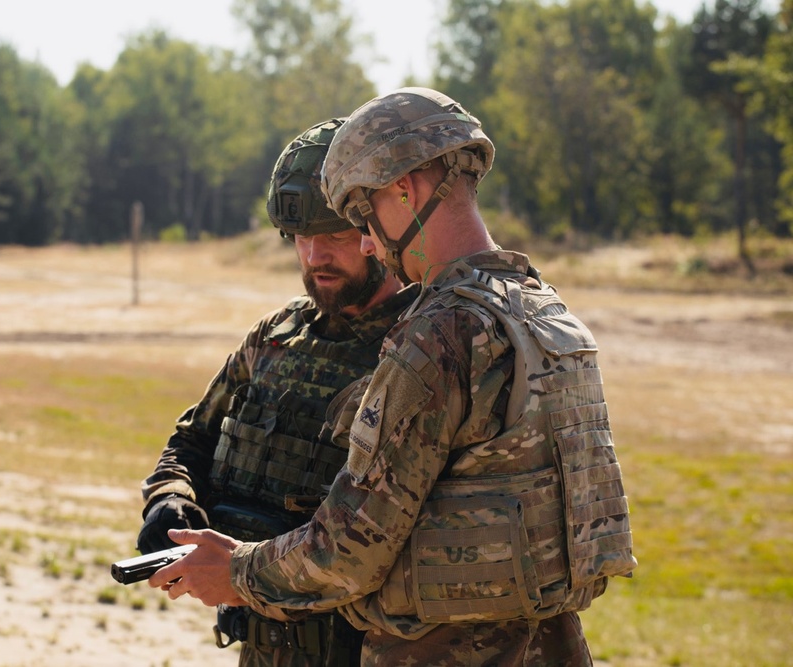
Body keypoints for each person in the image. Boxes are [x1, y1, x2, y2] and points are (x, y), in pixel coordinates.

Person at [149, 88, 637, 666]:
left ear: (403, 189)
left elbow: (347, 552)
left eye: (361, 215)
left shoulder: (440, 333)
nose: (366, 240)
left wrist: (234, 572)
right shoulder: (542, 310)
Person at [136, 117, 419, 666]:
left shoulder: (420, 347)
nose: (315, 257)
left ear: (374, 233)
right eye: (302, 239)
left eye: (334, 237)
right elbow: (192, 439)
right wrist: (172, 499)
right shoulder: (275, 337)